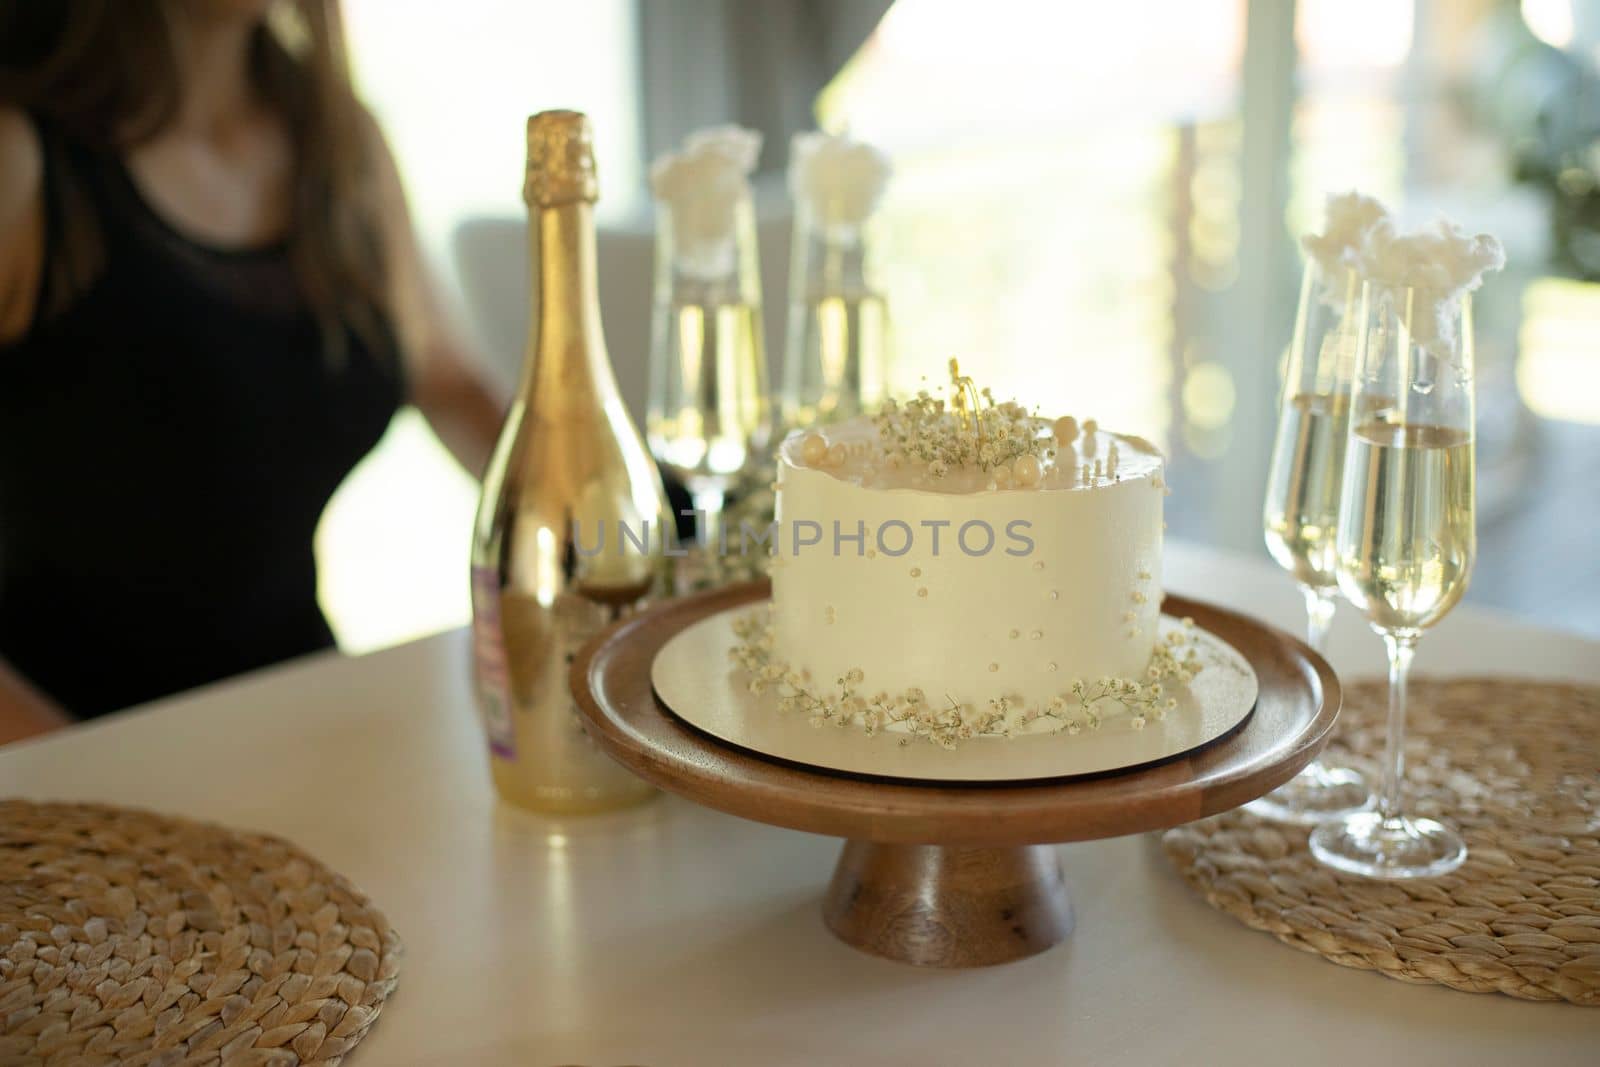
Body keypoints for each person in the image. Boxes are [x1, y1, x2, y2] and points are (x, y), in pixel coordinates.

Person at [0, 0, 504, 741]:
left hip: (293, 729)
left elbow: (455, 387)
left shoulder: (340, 145)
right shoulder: (21, 155)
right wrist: (73, 780)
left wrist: (661, 535)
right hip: (67, 776)